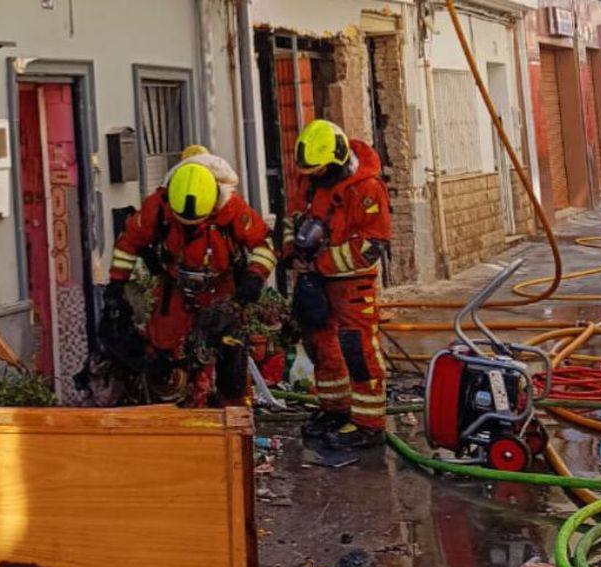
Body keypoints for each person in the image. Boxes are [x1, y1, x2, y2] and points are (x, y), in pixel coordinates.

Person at [98, 146, 277, 407]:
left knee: (231, 355)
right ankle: (175, 414)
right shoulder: (159, 206)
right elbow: (128, 244)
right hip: (176, 289)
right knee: (163, 356)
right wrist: (116, 288)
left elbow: (264, 247)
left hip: (222, 291)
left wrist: (251, 283)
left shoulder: (232, 209)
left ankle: (233, 421)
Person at [284, 119, 392, 451]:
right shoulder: (310, 181)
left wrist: (321, 261)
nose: (313, 177)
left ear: (339, 160)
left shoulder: (367, 187)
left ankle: (369, 424)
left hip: (351, 285)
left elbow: (372, 245)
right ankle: (335, 410)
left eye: (320, 171)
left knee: (358, 350)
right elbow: (292, 218)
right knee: (321, 346)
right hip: (316, 281)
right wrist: (290, 251)